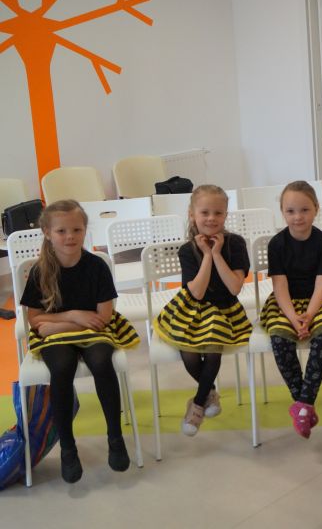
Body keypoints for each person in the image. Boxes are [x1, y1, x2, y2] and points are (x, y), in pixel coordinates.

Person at [20, 200, 140, 483]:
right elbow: (35, 320)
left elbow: (103, 316)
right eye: (61, 231)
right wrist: (73, 316)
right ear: (47, 233)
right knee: (62, 368)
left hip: (93, 329)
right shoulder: (40, 271)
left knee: (101, 362)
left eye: (77, 229)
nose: (70, 236)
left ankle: (115, 437)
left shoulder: (96, 265)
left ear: (85, 230)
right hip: (62, 332)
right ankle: (68, 448)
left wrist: (56, 325)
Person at [153, 185, 252, 436]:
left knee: (212, 347)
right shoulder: (187, 250)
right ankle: (210, 393)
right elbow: (196, 292)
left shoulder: (236, 244)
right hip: (192, 308)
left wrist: (217, 254)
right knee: (189, 353)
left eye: (218, 213)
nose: (211, 218)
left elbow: (234, 287)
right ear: (192, 214)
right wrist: (206, 255)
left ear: (226, 214)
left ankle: (197, 405)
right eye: (205, 212)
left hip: (224, 309)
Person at [259, 181, 322, 438]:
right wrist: (294, 318)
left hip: (319, 300)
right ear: (282, 212)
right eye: (290, 211)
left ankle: (303, 403)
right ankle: (303, 402)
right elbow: (280, 286)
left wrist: (310, 315)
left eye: (304, 210)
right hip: (286, 303)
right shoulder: (277, 244)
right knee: (279, 338)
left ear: (316, 209)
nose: (298, 217)